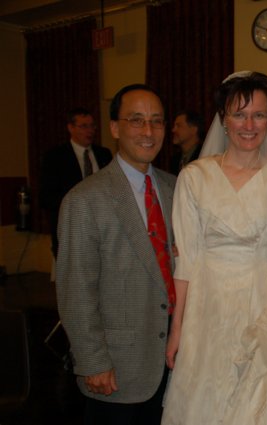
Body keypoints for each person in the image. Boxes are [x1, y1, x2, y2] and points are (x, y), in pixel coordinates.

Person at [161, 71, 267, 425]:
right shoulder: (194, 178)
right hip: (206, 311)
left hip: (259, 311)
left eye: (259, 115)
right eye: (239, 114)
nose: (249, 125)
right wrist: (177, 329)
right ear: (223, 118)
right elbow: (186, 262)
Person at [56, 84, 176, 425]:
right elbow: (76, 289)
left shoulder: (176, 188)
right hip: (118, 368)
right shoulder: (85, 200)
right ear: (114, 128)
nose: (148, 131)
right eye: (136, 120)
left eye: (157, 121)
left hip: (173, 361)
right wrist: (92, 361)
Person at [41, 107, 112, 258]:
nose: (90, 131)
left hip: (103, 229)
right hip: (70, 229)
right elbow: (47, 197)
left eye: (92, 126)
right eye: (84, 126)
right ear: (71, 128)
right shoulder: (55, 157)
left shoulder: (104, 155)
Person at [169, 110, 204, 175]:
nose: (173, 130)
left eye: (178, 126)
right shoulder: (174, 160)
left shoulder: (204, 156)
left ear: (193, 130)